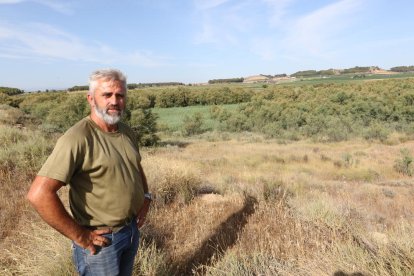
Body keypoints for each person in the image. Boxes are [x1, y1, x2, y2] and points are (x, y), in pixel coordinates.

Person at [27, 68, 152, 276]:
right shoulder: (77, 138)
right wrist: (80, 235)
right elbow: (38, 194)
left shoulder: (126, 131)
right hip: (103, 242)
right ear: (91, 99)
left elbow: (136, 166)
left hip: (130, 232)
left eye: (120, 95)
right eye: (107, 95)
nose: (114, 101)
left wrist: (146, 196)